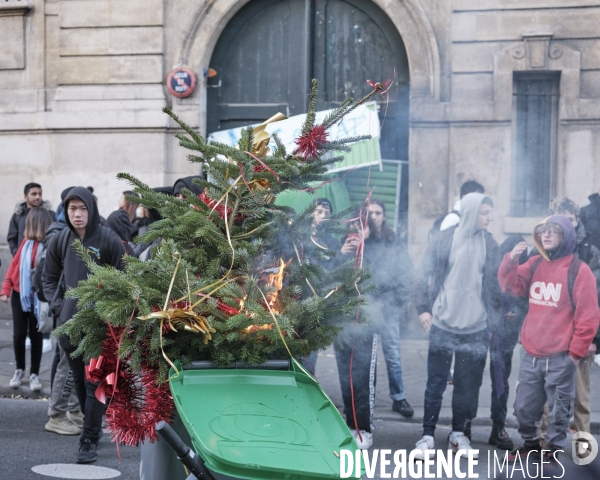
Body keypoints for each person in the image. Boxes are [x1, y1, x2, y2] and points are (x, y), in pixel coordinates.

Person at [499, 216, 599, 465]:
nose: (546, 236)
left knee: (558, 411)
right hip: (531, 353)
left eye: (553, 232)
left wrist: (574, 355)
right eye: (544, 231)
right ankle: (530, 445)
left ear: (566, 237)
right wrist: (510, 261)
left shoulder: (579, 270)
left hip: (561, 356)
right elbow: (511, 286)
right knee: (524, 408)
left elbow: (588, 318)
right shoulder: (534, 264)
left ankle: (552, 452)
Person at [412, 193, 502, 460]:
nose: (490, 217)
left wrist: (492, 322)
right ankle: (427, 435)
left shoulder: (489, 242)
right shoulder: (444, 237)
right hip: (442, 323)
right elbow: (422, 273)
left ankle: (458, 434)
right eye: (485, 212)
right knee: (436, 382)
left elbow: (496, 287)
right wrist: (422, 309)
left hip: (475, 327)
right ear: (473, 212)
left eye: (490, 212)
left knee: (466, 384)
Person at [43, 187, 125, 464]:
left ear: (91, 209)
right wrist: (58, 307)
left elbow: (122, 277)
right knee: (79, 381)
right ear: (66, 211)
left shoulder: (107, 238)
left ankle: (88, 440)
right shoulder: (61, 239)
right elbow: (49, 276)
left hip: (98, 325)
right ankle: (92, 425)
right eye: (72, 209)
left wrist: (108, 311)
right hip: (68, 326)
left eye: (82, 209)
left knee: (94, 383)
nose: (77, 215)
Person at [335, 198, 414, 448]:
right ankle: (350, 424)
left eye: (375, 216)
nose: (360, 231)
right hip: (342, 321)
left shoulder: (383, 245)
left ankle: (364, 428)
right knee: (345, 376)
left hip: (370, 319)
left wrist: (390, 308)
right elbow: (329, 277)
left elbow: (391, 279)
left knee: (363, 377)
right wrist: (342, 255)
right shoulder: (344, 244)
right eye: (358, 224)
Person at [533, 198, 600, 440]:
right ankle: (543, 444)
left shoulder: (589, 253)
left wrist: (595, 339)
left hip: (579, 336)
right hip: (549, 337)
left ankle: (584, 448)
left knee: (581, 398)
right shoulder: (541, 250)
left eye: (570, 220)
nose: (565, 226)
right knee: (546, 396)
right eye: (559, 221)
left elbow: (597, 300)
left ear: (577, 220)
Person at [1, 207, 53, 391]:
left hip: (37, 298)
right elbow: (14, 266)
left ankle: (35, 374)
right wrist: (5, 289)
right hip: (19, 295)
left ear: (35, 224)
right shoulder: (25, 243)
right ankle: (19, 369)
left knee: (37, 334)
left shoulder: (49, 246)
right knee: (18, 335)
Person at [487, 235, 529, 451]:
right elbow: (488, 290)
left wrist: (517, 312)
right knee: (470, 378)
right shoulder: (496, 261)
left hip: (507, 334)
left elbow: (525, 295)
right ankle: (463, 426)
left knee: (501, 382)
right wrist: (492, 321)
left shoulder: (525, 266)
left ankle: (498, 427)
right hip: (486, 328)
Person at [302, 198, 340, 374]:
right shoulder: (300, 237)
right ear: (311, 214)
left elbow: (336, 270)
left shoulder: (332, 243)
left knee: (310, 354)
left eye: (327, 213)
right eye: (319, 212)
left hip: (318, 302)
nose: (323, 216)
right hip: (296, 299)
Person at [7, 182, 56, 257]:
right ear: (25, 196)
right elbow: (12, 238)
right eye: (34, 194)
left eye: (40, 194)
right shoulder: (18, 215)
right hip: (22, 258)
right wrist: (16, 253)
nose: (38, 197)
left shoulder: (50, 214)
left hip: (45, 258)